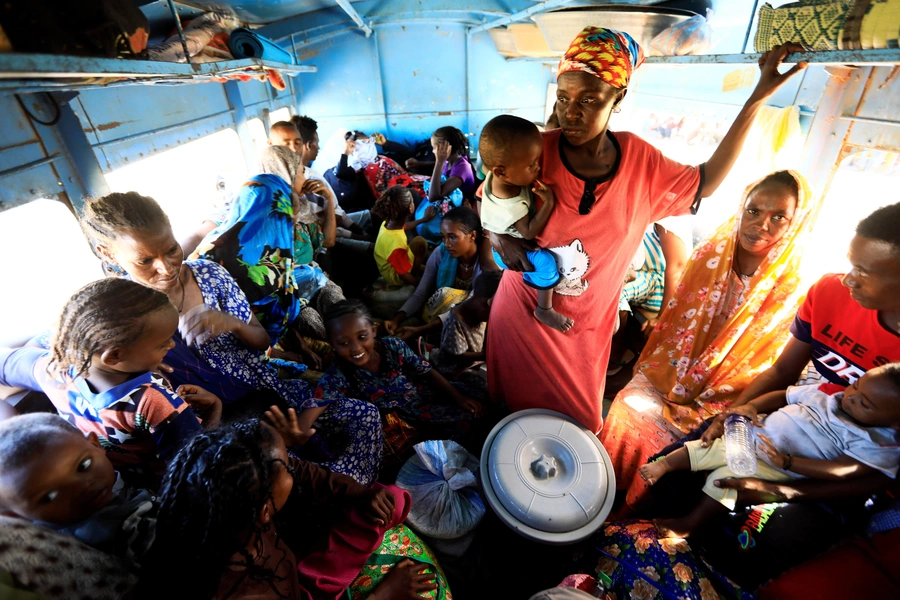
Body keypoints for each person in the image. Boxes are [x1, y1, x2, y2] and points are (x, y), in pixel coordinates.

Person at [486, 27, 807, 435]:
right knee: (509, 421)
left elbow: (705, 181)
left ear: (617, 99)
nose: (571, 113)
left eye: (589, 100)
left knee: (579, 427)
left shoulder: (640, 162)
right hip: (522, 313)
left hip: (583, 329)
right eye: (563, 99)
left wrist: (758, 96)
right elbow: (489, 202)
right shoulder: (536, 151)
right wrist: (501, 238)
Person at [599, 170, 817, 510]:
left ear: (796, 223)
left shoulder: (793, 285)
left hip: (733, 390)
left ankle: (633, 512)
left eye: (778, 217)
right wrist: (685, 374)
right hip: (677, 368)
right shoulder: (711, 254)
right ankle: (602, 489)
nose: (761, 224)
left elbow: (770, 365)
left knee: (677, 438)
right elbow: (677, 327)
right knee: (629, 404)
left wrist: (736, 407)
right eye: (754, 211)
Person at [139, 419, 438, 600]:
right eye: (286, 470)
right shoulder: (243, 591)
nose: (293, 470)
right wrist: (383, 595)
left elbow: (303, 470)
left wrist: (360, 494)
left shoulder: (216, 507)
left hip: (291, 568)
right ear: (265, 510)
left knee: (387, 501)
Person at [0, 279, 220, 486]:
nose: (172, 346)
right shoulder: (154, 402)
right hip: (153, 489)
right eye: (162, 344)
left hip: (96, 473)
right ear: (114, 357)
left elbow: (6, 363)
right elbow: (194, 467)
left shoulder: (56, 370)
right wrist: (214, 411)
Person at [639, 364, 900, 538]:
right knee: (702, 449)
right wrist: (752, 406)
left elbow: (841, 470)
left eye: (864, 403)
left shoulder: (877, 442)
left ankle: (689, 524)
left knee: (726, 484)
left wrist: (787, 462)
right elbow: (783, 396)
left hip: (776, 467)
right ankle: (664, 465)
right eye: (856, 385)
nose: (851, 396)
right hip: (753, 436)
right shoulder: (828, 394)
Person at [196, 145, 344, 343]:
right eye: (301, 172)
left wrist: (328, 200)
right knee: (312, 323)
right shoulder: (257, 215)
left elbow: (328, 241)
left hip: (310, 280)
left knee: (338, 305)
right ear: (286, 174)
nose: (305, 178)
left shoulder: (301, 211)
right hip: (284, 295)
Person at [315, 301, 484, 447]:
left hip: (423, 392)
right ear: (332, 344)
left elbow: (426, 372)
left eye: (362, 337)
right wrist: (299, 430)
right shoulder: (338, 375)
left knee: (478, 396)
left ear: (374, 330)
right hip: (403, 417)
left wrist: (458, 398)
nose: (356, 348)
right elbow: (317, 405)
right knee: (467, 421)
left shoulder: (393, 346)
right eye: (344, 343)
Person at [0, 413, 156, 561]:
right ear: (14, 516)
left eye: (83, 466)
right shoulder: (116, 532)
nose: (82, 488)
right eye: (49, 496)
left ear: (95, 444)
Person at [479, 114, 571, 332]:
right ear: (502, 172)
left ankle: (499, 296)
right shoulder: (512, 201)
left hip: (498, 243)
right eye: (531, 165)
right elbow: (529, 233)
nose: (537, 168)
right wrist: (548, 202)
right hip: (510, 250)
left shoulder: (494, 173)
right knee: (546, 263)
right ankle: (544, 308)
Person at [608, 215, 692, 375]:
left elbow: (678, 268)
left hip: (658, 283)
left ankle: (616, 354)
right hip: (635, 273)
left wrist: (663, 318)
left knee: (615, 292)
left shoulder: (673, 214)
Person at [386, 206, 485, 332]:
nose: (447, 243)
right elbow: (421, 293)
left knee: (447, 296)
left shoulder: (485, 263)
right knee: (396, 331)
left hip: (465, 324)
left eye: (452, 237)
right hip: (435, 315)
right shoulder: (441, 253)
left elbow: (471, 305)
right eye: (443, 237)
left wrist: (421, 329)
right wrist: (396, 320)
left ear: (472, 236)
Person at [424, 269, 503, 380]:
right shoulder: (456, 321)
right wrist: (486, 355)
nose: (493, 318)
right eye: (493, 314)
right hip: (454, 371)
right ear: (485, 304)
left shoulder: (477, 310)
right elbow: (457, 357)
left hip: (471, 364)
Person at [372, 186, 433, 286]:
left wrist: (423, 219)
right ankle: (415, 273)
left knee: (418, 242)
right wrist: (419, 285)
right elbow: (402, 274)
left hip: (392, 261)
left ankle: (417, 268)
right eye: (412, 201)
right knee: (421, 242)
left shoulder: (388, 222)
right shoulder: (396, 244)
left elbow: (404, 227)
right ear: (410, 208)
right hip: (395, 276)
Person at [407, 126, 477, 201]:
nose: (433, 151)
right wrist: (419, 164)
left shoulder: (462, 169)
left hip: (460, 207)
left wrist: (439, 161)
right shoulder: (452, 159)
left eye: (434, 148)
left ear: (446, 148)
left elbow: (433, 197)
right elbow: (444, 165)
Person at [324, 130, 378, 211]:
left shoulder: (382, 160)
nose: (369, 144)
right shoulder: (355, 171)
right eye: (363, 142)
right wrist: (345, 154)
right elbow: (341, 172)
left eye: (370, 141)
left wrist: (386, 143)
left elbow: (403, 153)